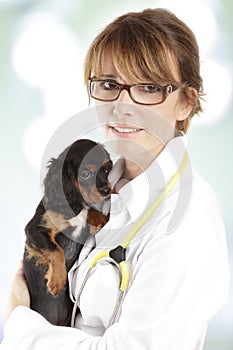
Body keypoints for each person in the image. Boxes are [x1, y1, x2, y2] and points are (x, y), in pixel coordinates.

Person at [0, 8, 230, 350]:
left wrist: (19, 322)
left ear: (186, 102)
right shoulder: (101, 191)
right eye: (109, 84)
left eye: (149, 87)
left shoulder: (186, 220)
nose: (122, 106)